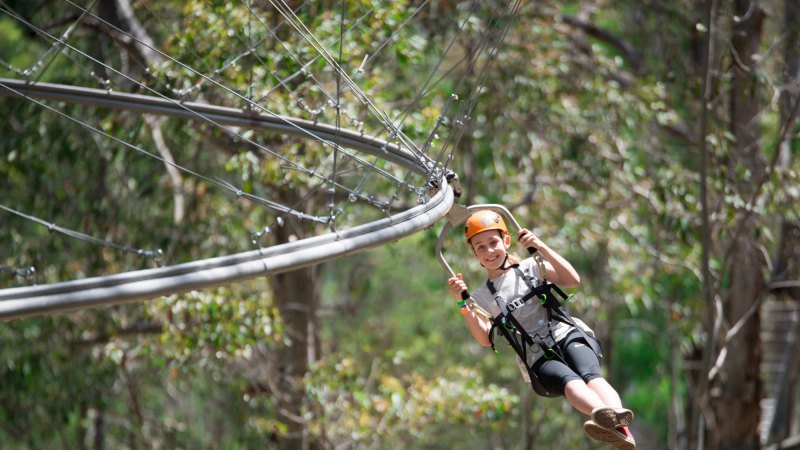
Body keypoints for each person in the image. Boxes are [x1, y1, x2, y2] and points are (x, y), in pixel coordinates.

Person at [446, 210, 636, 449]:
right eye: (480, 247)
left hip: (564, 332)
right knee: (568, 380)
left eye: (493, 242)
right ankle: (603, 416)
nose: (489, 251)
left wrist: (540, 246)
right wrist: (462, 303)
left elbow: (572, 279)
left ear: (506, 241)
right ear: (474, 254)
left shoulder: (533, 266)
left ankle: (618, 420)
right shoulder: (481, 297)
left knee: (590, 375)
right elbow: (485, 338)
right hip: (536, 353)